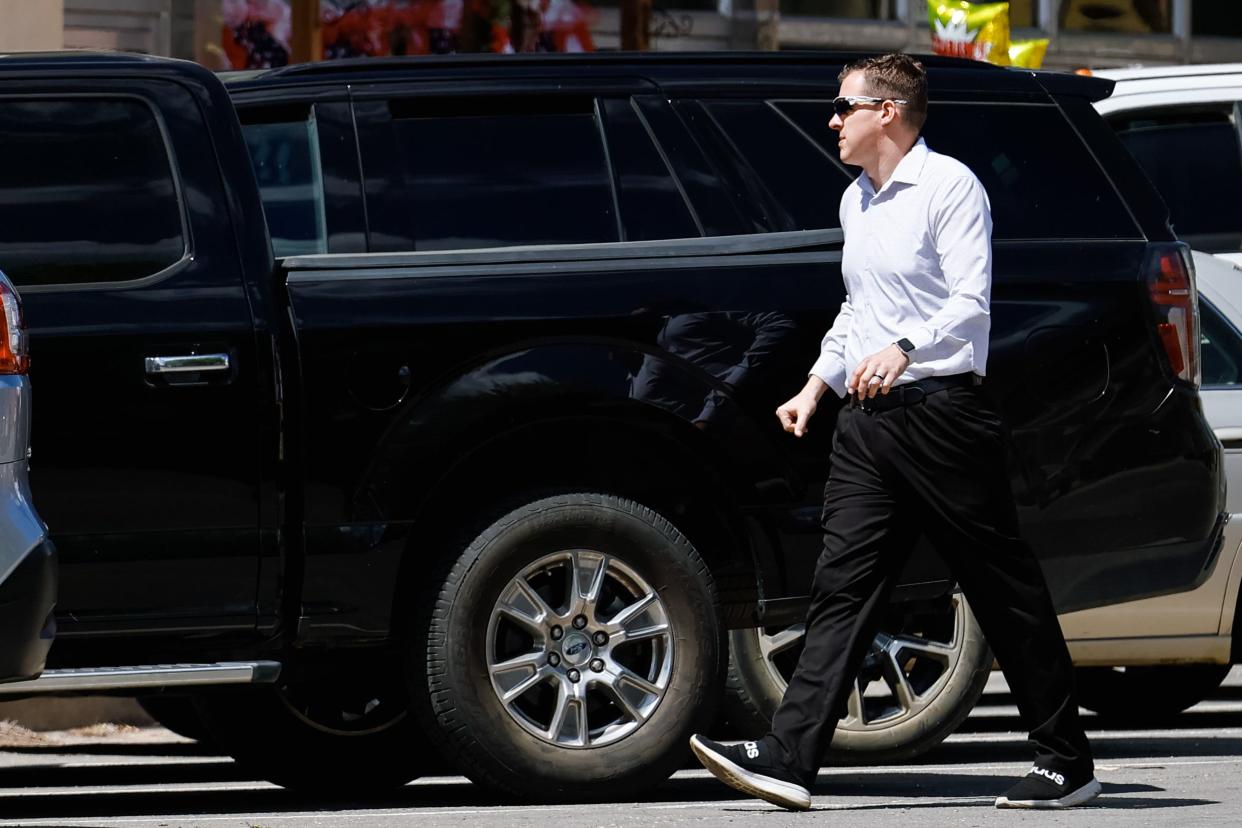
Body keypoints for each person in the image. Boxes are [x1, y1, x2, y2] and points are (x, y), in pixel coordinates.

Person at [689, 53, 1099, 812]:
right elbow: (857, 313)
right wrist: (817, 385)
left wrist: (905, 348)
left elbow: (972, 305)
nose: (832, 120)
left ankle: (1064, 760)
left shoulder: (950, 188)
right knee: (841, 586)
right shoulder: (858, 203)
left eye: (844, 106)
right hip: (866, 424)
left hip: (942, 416)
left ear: (889, 112)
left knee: (999, 587)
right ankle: (789, 756)